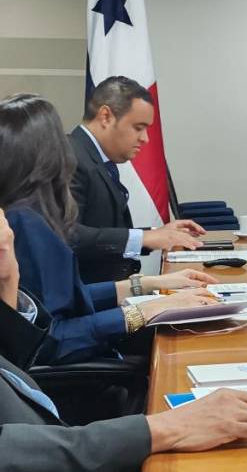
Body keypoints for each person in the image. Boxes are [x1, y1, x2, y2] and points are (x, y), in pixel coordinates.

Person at [0, 209, 247, 471]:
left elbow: (32, 341)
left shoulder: (25, 222)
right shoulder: (26, 220)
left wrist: (144, 286)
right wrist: (166, 428)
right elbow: (50, 345)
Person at [0, 93, 219, 365]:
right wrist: (146, 311)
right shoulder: (24, 220)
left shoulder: (23, 212)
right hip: (75, 379)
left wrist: (147, 285)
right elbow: (51, 338)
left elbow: (64, 299)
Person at [70, 75, 205, 283]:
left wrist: (156, 234)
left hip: (112, 292)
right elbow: (68, 235)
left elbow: (104, 227)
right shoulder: (70, 156)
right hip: (90, 301)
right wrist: (144, 238)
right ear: (105, 116)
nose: (145, 139)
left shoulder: (96, 157)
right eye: (138, 127)